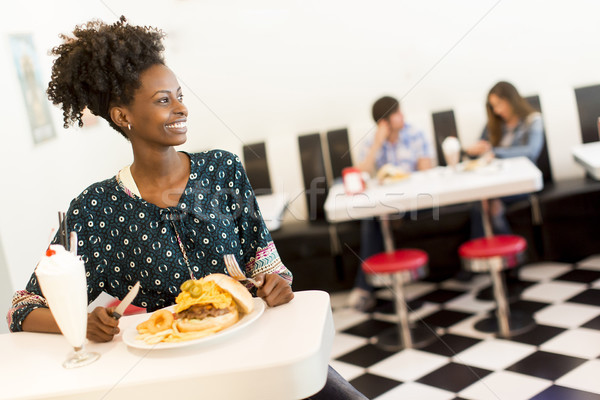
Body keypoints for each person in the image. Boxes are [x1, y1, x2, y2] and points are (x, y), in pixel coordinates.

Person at [6, 17, 366, 400]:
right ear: (122, 116)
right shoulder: (97, 209)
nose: (181, 108)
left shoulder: (222, 169)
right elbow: (22, 309)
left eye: (180, 95)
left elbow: (267, 264)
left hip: (262, 349)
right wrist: (80, 323)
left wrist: (278, 284)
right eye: (164, 100)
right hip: (175, 378)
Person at [348, 96, 434, 311]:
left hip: (417, 201)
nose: (402, 116)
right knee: (372, 218)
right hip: (387, 206)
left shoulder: (415, 134)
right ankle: (368, 287)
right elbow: (362, 174)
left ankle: (364, 288)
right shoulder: (372, 141)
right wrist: (378, 142)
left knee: (374, 219)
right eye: (397, 113)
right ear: (384, 122)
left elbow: (427, 170)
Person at [465, 81, 545, 238]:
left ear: (512, 100)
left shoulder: (533, 120)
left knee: (490, 204)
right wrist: (472, 151)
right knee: (480, 204)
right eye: (493, 106)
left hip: (521, 183)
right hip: (495, 182)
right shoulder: (493, 125)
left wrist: (495, 151)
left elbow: (531, 152)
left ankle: (505, 258)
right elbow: (482, 150)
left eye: (500, 104)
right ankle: (489, 255)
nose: (497, 110)